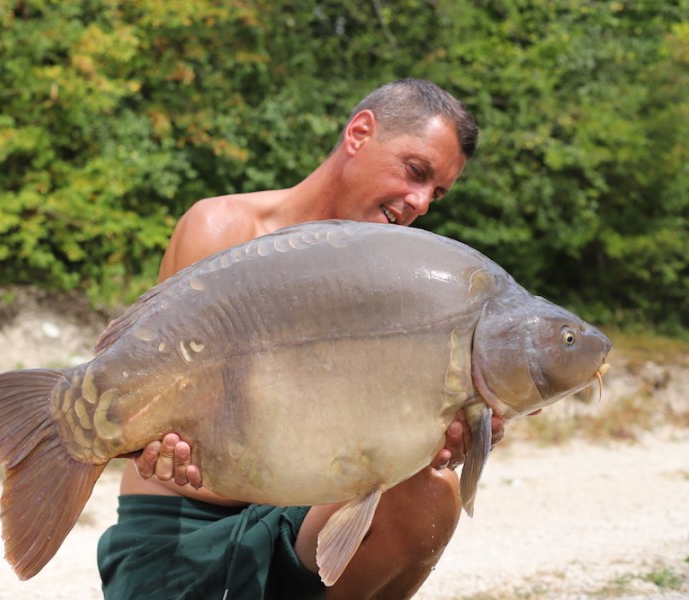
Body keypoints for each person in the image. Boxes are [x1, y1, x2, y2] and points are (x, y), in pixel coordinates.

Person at [97, 78, 504, 599]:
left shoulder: (400, 286)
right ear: (360, 132)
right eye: (416, 172)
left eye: (437, 192)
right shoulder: (223, 229)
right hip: (183, 522)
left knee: (430, 495)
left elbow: (363, 441)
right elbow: (164, 414)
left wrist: (449, 427)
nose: (421, 202)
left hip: (306, 517)